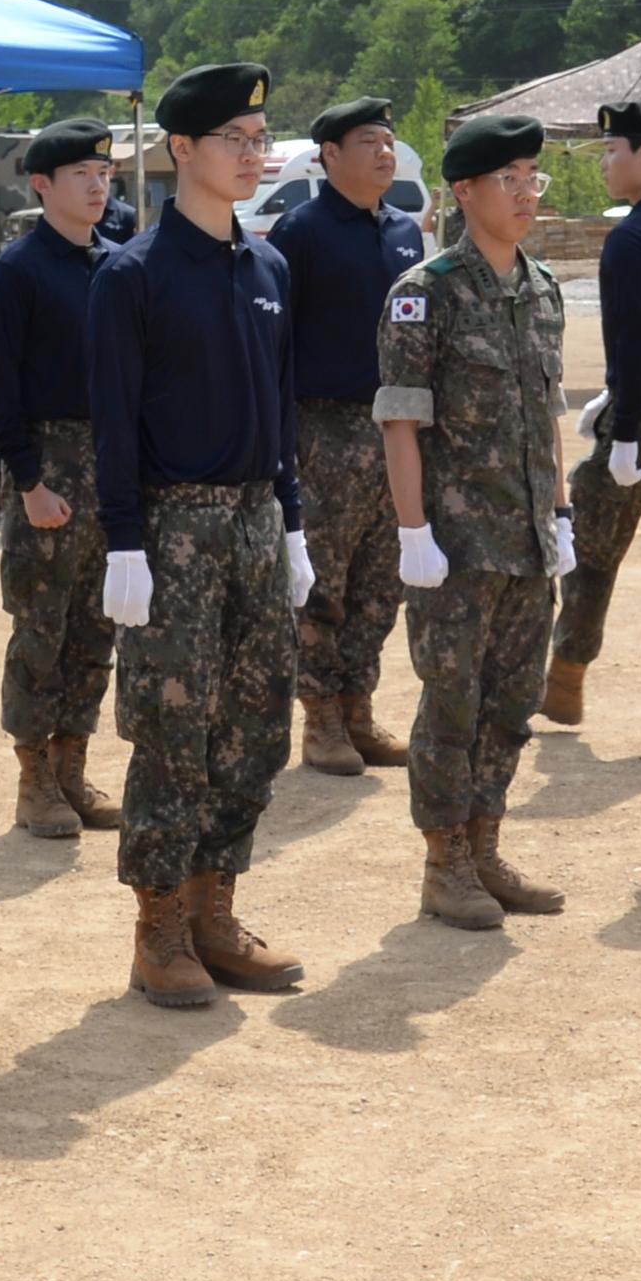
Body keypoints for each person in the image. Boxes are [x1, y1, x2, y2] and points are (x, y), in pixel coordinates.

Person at [89, 62, 311, 1006]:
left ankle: (216, 905)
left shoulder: (268, 266)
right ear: (182, 149)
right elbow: (113, 419)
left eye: (261, 140)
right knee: (175, 729)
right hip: (173, 523)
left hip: (257, 519)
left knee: (256, 725)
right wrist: (125, 542)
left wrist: (293, 525)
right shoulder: (131, 273)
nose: (252, 155)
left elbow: (282, 405)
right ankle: (160, 928)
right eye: (235, 140)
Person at [378, 112, 573, 929]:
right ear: (464, 192)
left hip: (527, 538)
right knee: (451, 705)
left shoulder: (542, 287)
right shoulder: (427, 293)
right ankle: (444, 862)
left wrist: (561, 512)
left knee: (510, 703)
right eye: (509, 181)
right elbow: (401, 422)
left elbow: (550, 410)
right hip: (457, 546)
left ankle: (486, 843)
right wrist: (413, 531)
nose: (526, 194)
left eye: (535, 179)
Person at [0, 119, 126, 846]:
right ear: (42, 185)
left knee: (97, 626)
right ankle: (34, 776)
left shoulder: (117, 263)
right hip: (50, 459)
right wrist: (29, 481)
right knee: (41, 627)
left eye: (105, 174)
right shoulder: (19, 271)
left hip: (113, 462)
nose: (99, 187)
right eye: (82, 175)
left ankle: (74, 764)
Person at [276, 93, 426, 775]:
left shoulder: (404, 229)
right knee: (324, 580)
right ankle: (321, 718)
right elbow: (275, 342)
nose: (384, 153)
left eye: (388, 141)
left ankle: (359, 706)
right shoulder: (300, 233)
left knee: (382, 578)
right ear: (328, 156)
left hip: (395, 423)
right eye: (367, 142)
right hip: (325, 426)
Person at [548, 98, 641, 734]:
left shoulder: (631, 238)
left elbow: (634, 342)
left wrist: (625, 427)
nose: (606, 164)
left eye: (613, 151)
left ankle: (564, 680)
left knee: (589, 551)